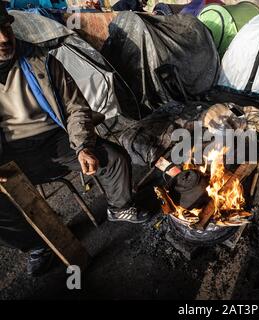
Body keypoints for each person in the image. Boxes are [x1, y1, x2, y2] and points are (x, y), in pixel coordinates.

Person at [0, 2, 150, 276]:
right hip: (10, 153)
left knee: (113, 158)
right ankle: (38, 244)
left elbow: (75, 107)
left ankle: (120, 206)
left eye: (6, 28)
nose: (3, 38)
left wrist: (82, 145)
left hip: (54, 138)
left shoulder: (40, 60)